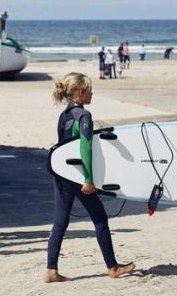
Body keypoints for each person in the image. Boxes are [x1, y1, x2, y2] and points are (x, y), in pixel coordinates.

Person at [46, 73, 136, 283]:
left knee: (60, 222)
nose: (93, 93)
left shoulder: (64, 116)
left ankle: (51, 270)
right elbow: (84, 148)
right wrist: (88, 179)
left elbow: (62, 146)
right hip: (78, 176)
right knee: (100, 218)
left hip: (61, 174)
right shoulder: (84, 116)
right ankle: (112, 267)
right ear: (81, 92)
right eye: (90, 89)